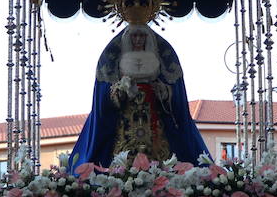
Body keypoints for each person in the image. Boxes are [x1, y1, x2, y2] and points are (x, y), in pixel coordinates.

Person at [68, 22, 210, 167]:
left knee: (158, 158)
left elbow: (174, 94)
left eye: (141, 35)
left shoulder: (160, 54)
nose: (138, 39)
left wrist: (163, 91)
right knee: (124, 159)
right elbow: (105, 98)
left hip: (153, 121)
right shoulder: (114, 55)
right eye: (134, 36)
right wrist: (122, 91)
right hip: (126, 122)